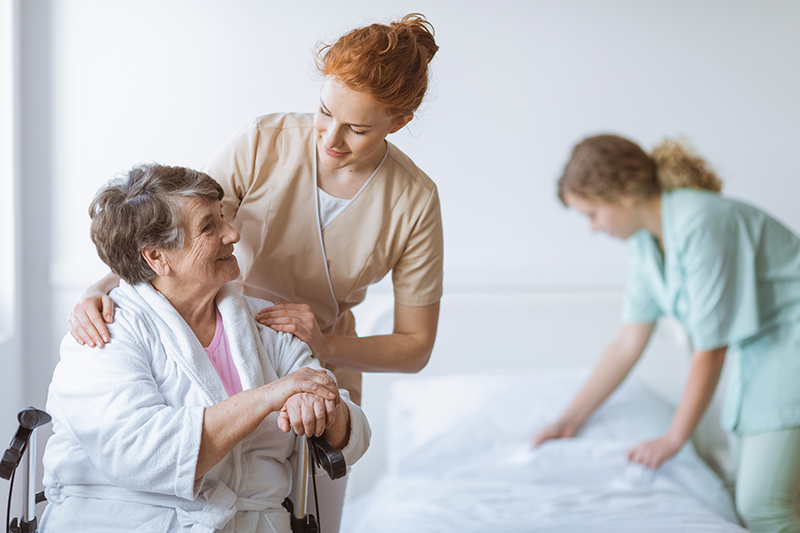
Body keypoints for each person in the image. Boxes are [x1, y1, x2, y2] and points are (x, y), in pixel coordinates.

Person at [66, 16, 442, 531]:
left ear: (398, 122)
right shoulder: (265, 141)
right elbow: (177, 228)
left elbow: (415, 346)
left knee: (307, 511)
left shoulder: (414, 201)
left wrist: (322, 351)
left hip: (309, 353)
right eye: (325, 112)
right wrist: (98, 287)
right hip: (216, 321)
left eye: (356, 129)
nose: (331, 138)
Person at [41, 164, 370, 533]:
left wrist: (328, 407)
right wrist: (270, 396)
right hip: (127, 521)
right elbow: (143, 454)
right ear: (157, 258)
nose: (232, 233)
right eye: (208, 226)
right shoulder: (103, 335)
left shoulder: (265, 323)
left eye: (223, 217)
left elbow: (349, 434)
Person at [533, 134, 800, 533]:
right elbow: (627, 343)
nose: (592, 228)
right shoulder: (644, 245)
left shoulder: (700, 220)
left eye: (592, 214)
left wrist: (673, 439)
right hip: (764, 354)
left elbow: (711, 349)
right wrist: (567, 421)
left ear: (622, 194)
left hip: (789, 342)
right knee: (744, 499)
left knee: (763, 507)